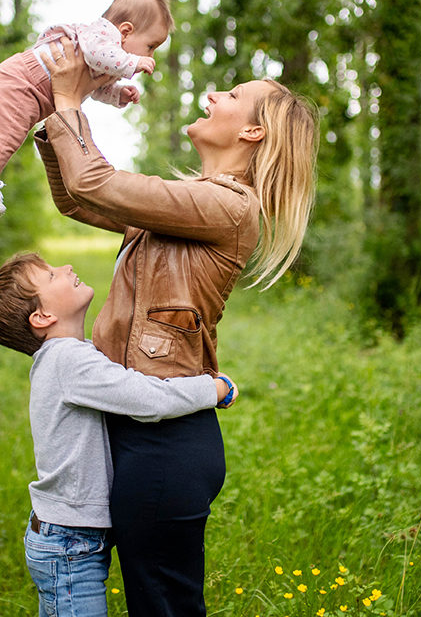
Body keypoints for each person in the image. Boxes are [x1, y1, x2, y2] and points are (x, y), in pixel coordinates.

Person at [32, 38, 319, 616]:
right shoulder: (191, 201)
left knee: (165, 607)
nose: (214, 95)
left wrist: (69, 102)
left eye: (233, 95)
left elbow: (96, 184)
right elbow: (79, 201)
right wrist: (52, 116)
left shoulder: (229, 207)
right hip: (142, 425)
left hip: (165, 442)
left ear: (254, 133)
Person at [0, 251, 238, 617]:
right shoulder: (69, 360)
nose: (66, 267)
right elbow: (145, 398)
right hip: (68, 544)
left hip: (69, 537)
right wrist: (212, 389)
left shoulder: (72, 355)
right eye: (52, 275)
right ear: (42, 317)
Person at [0, 0, 174, 215]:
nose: (151, 55)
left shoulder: (106, 60)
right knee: (6, 138)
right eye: (150, 46)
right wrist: (132, 63)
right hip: (19, 81)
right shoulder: (102, 34)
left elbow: (93, 88)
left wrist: (117, 94)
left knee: (13, 137)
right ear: (124, 32)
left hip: (33, 93)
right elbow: (97, 54)